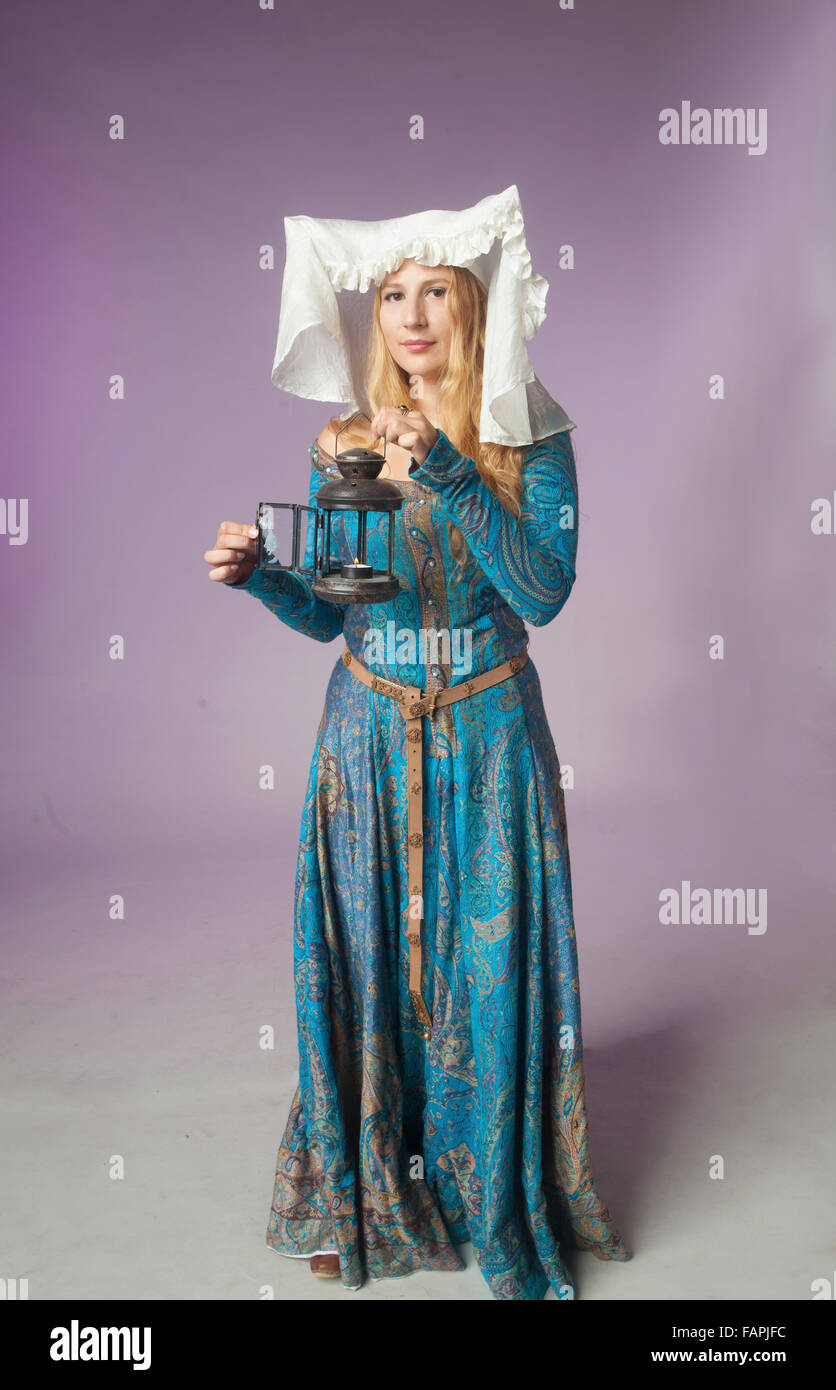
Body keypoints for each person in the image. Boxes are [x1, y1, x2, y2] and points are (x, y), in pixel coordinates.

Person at [203, 186, 632, 1299]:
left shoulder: (531, 431)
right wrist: (262, 580)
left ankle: (492, 1187)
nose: (409, 314)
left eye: (434, 289)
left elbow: (544, 590)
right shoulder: (344, 442)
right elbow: (333, 611)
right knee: (364, 968)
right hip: (365, 740)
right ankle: (360, 1184)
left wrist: (444, 465)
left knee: (486, 975)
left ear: (472, 302)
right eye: (391, 293)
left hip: (489, 742)